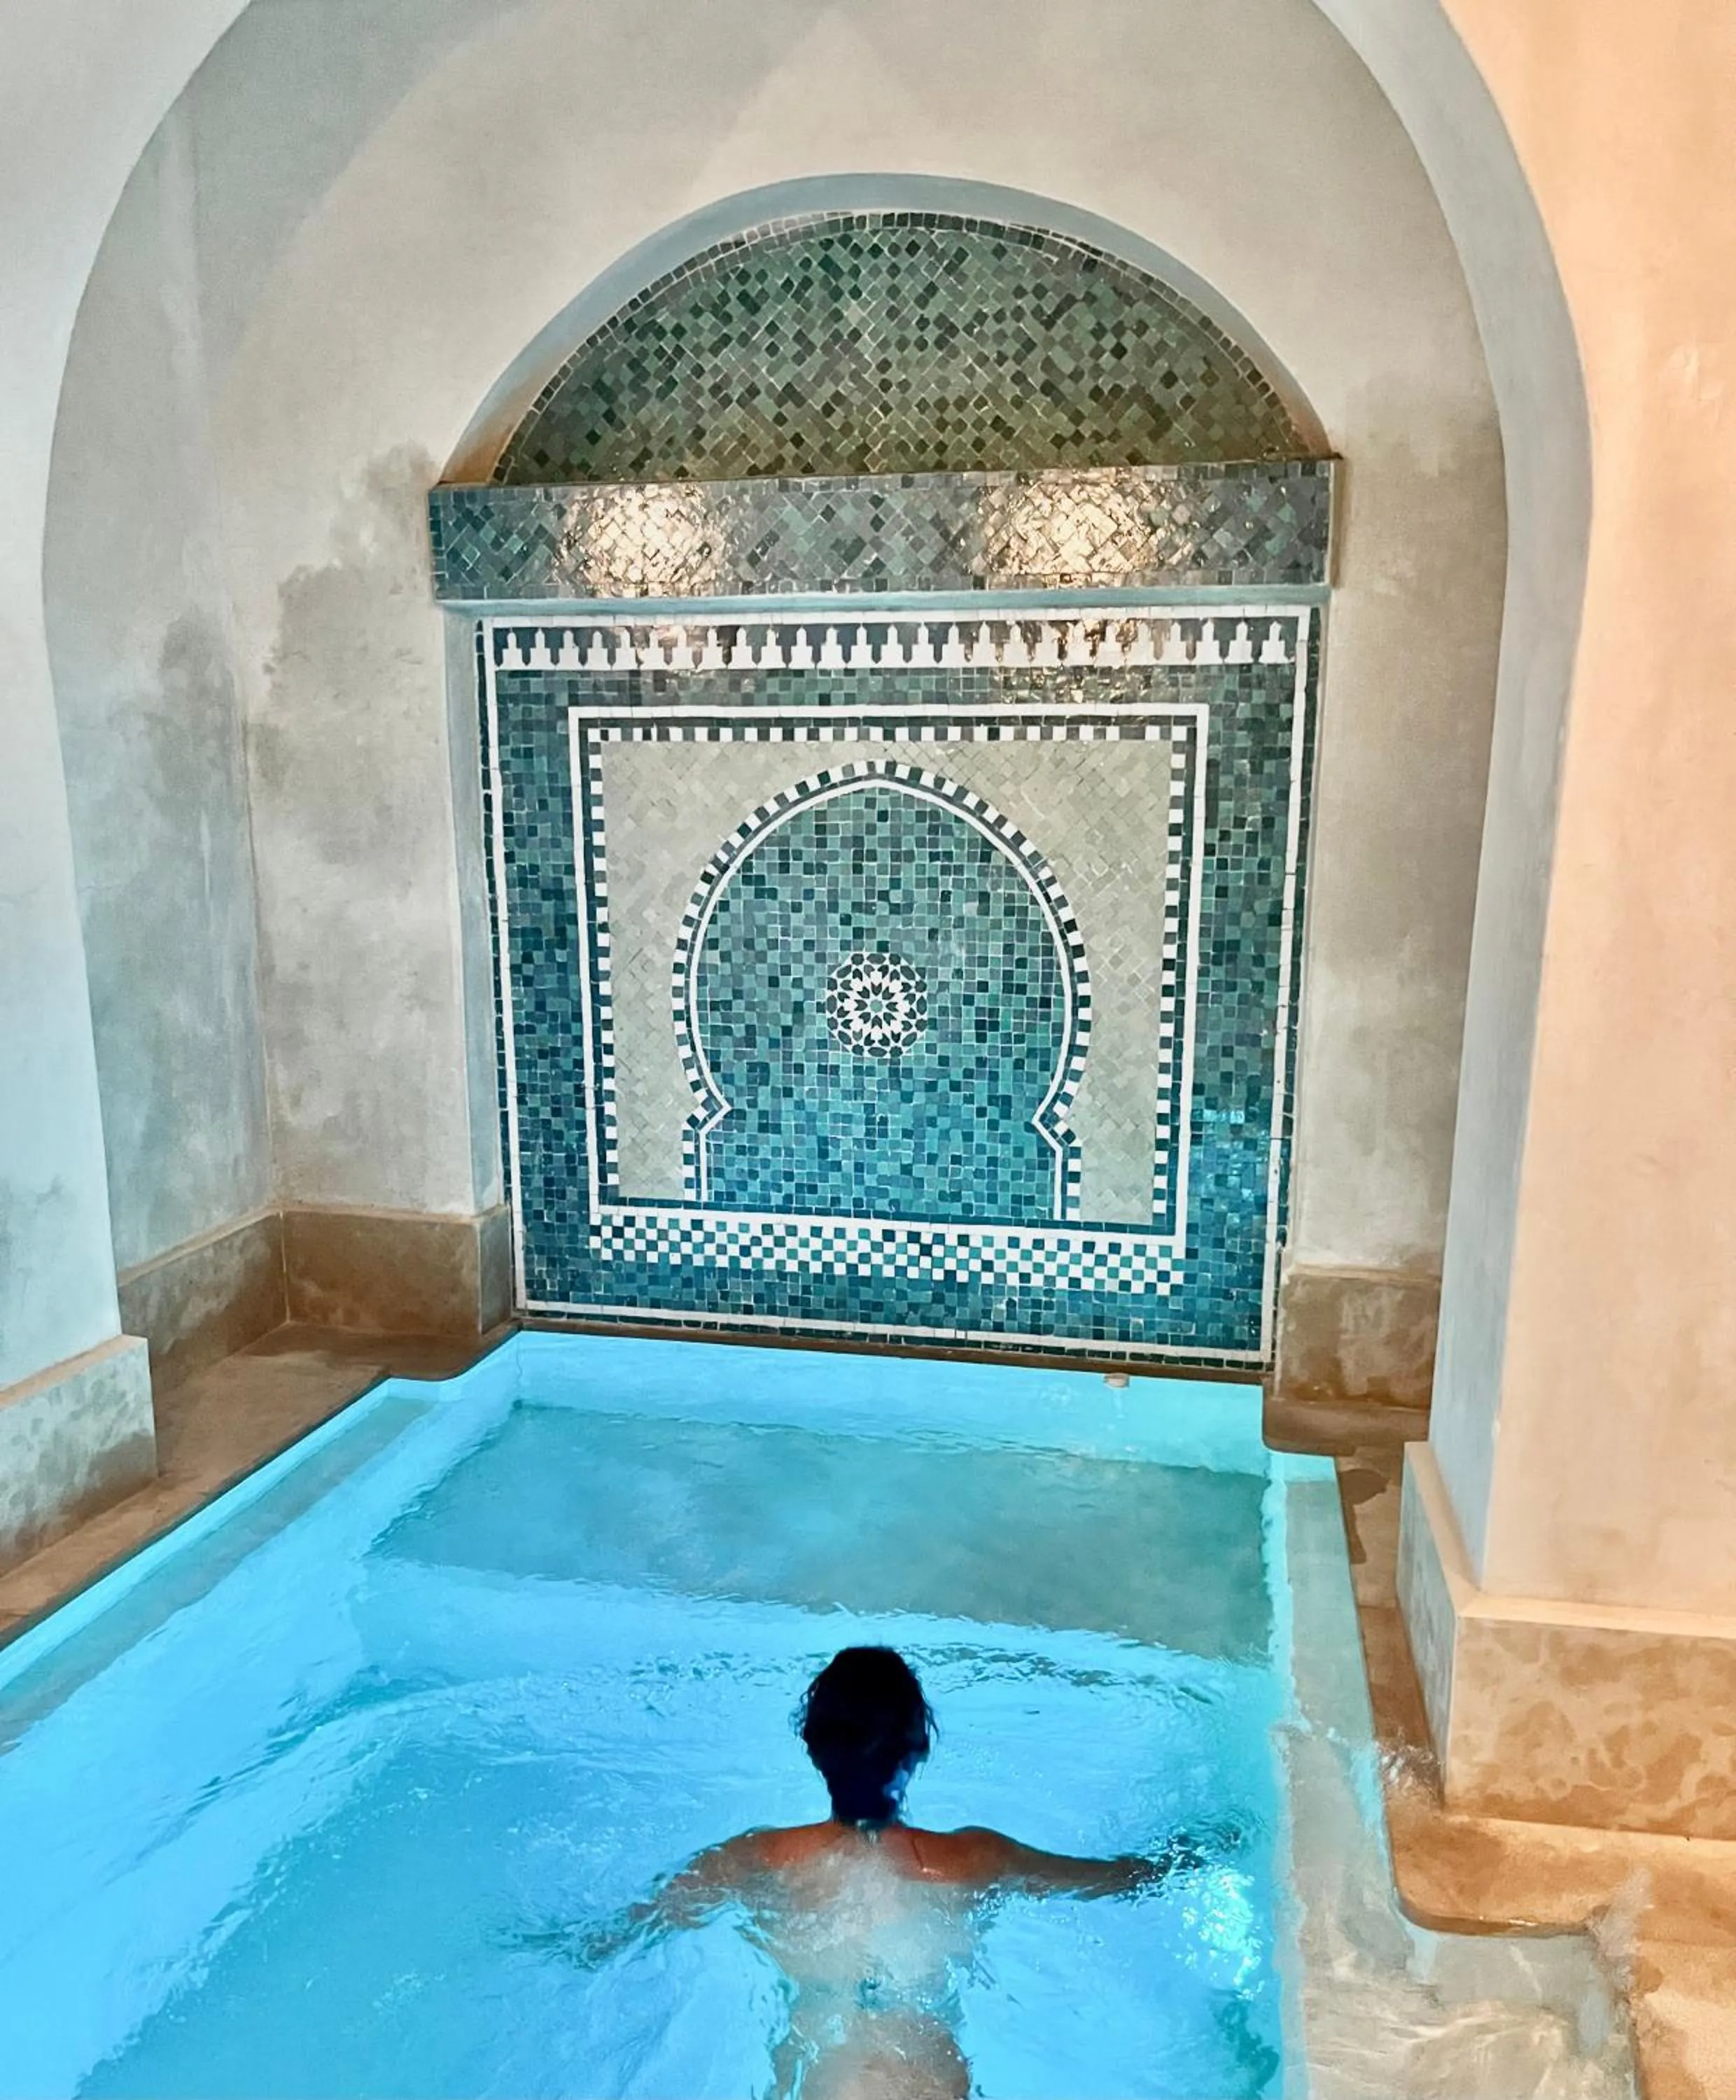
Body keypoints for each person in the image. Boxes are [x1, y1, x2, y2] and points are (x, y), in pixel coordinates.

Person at [534, 1646, 1224, 2100]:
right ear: (918, 1749)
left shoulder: (753, 1860)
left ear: (813, 1749)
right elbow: (1121, 1879)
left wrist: (531, 1937)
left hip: (816, 2082)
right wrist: (1203, 1846)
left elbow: (615, 1938)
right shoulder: (976, 1859)